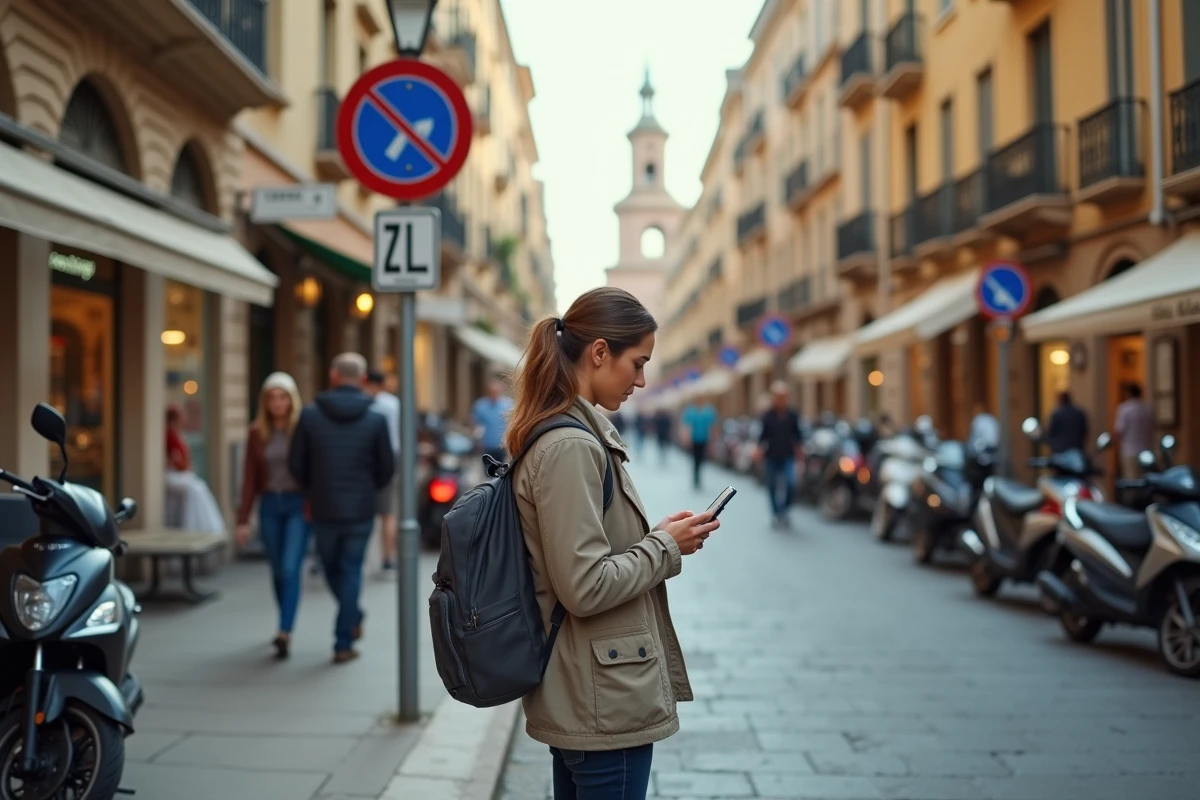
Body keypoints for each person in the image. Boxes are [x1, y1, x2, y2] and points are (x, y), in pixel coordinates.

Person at [505, 287, 719, 800]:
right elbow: (584, 585)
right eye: (637, 363)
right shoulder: (571, 446)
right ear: (600, 352)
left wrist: (654, 537)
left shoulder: (568, 435)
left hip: (591, 688)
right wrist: (665, 547)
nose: (641, 380)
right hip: (602, 698)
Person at [289, 353, 395, 664]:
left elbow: (296, 463)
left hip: (323, 507)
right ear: (362, 379)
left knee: (332, 568)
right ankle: (344, 638)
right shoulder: (376, 418)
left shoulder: (310, 415)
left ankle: (347, 628)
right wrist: (367, 488)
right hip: (360, 508)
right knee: (350, 571)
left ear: (333, 376)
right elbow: (387, 467)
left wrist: (314, 486)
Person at [235, 372, 308, 659]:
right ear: (264, 402)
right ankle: (284, 620)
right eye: (272, 398)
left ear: (291, 400)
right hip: (269, 505)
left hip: (297, 504)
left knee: (290, 569)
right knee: (277, 571)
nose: (277, 403)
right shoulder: (257, 432)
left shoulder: (302, 428)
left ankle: (284, 631)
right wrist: (243, 519)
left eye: (282, 397)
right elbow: (249, 478)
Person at [163, 406, 225, 534]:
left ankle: (207, 526)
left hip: (180, 473)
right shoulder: (169, 435)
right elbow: (176, 460)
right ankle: (191, 526)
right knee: (194, 489)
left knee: (199, 487)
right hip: (171, 474)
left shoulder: (178, 434)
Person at [366, 369, 401, 571]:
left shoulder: (368, 404)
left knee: (371, 510)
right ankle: (388, 558)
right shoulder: (394, 404)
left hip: (369, 457)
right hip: (393, 456)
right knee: (389, 511)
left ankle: (367, 556)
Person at [756, 382, 803, 529]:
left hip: (788, 456)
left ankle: (784, 510)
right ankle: (776, 513)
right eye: (778, 397)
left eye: (783, 397)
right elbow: (763, 436)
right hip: (771, 456)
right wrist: (758, 450)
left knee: (791, 483)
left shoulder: (792, 415)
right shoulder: (768, 415)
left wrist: (800, 452)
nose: (781, 399)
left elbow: (798, 436)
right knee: (772, 486)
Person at [1114, 383, 1154, 478]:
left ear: (1128, 394)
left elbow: (1119, 431)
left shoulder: (1124, 409)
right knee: (1145, 478)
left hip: (1129, 451)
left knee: (1131, 479)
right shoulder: (1148, 409)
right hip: (1145, 450)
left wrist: (1117, 449)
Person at [680, 396, 718, 490]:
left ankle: (698, 473)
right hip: (693, 439)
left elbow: (712, 425)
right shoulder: (690, 411)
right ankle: (696, 476)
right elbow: (686, 426)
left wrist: (713, 439)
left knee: (701, 458)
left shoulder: (708, 410)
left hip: (704, 439)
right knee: (695, 458)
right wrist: (686, 438)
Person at [472, 377, 514, 462]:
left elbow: (512, 424)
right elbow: (475, 424)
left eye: (496, 392)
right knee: (488, 468)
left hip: (503, 446)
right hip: (486, 446)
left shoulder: (508, 405)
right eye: (492, 392)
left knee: (502, 467)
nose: (494, 394)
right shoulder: (480, 406)